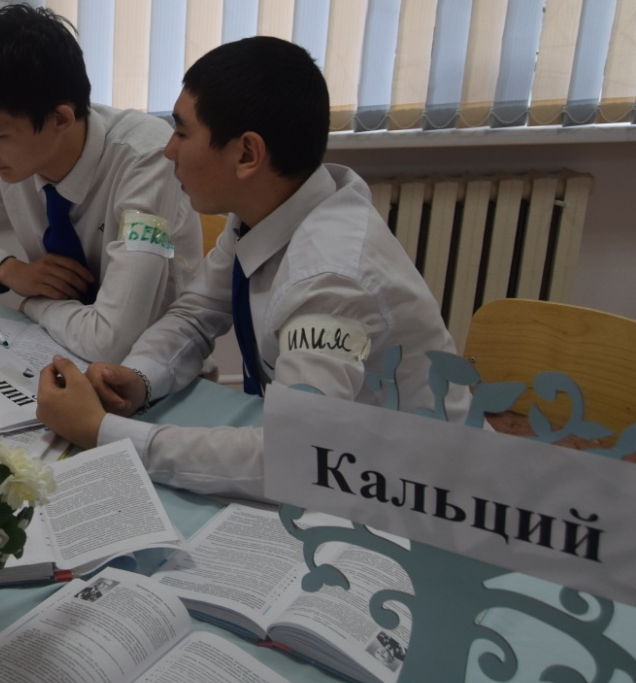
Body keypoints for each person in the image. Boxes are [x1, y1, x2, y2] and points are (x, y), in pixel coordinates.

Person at [36, 36, 466, 501]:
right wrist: (138, 379)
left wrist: (104, 432)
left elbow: (291, 455)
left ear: (246, 155)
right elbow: (195, 315)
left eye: (182, 133)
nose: (168, 151)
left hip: (414, 494)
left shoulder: (330, 279)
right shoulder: (267, 211)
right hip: (341, 465)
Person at [0, 5, 200, 361]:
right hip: (56, 348)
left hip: (152, 366)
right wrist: (10, 271)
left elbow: (111, 342)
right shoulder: (7, 153)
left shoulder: (146, 159)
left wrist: (34, 304)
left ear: (61, 119)